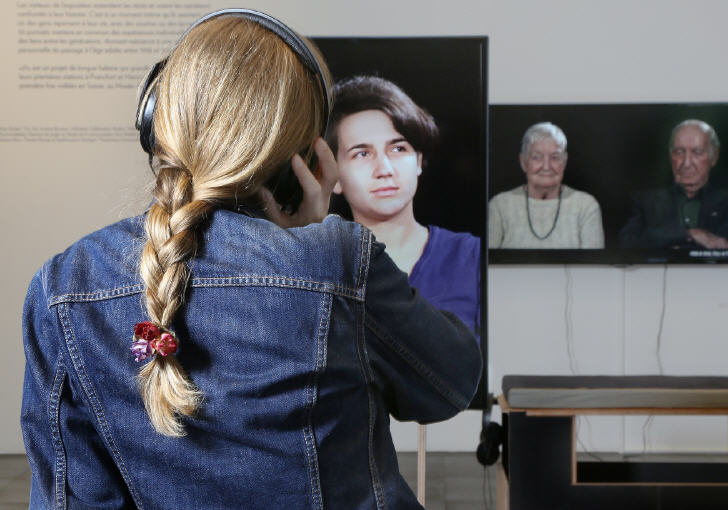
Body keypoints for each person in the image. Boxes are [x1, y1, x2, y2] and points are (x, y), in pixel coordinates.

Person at [20, 10, 481, 510]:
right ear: (305, 161)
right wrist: (310, 239)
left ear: (156, 121)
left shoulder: (64, 285)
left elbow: (72, 497)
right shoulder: (339, 262)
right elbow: (449, 385)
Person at [326, 75, 481, 338]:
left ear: (418, 161)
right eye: (362, 154)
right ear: (335, 176)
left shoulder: (471, 257)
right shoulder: (319, 271)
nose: (384, 169)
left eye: (398, 149)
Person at [620, 119, 728, 251]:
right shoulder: (643, 202)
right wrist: (688, 234)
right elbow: (626, 244)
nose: (686, 163)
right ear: (670, 155)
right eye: (679, 152)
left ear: (714, 156)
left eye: (697, 152)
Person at [488, 122, 604, 249]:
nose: (546, 166)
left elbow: (594, 261)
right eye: (537, 157)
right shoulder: (500, 206)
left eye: (555, 157)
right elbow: (486, 260)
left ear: (564, 162)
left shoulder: (586, 206)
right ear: (523, 162)